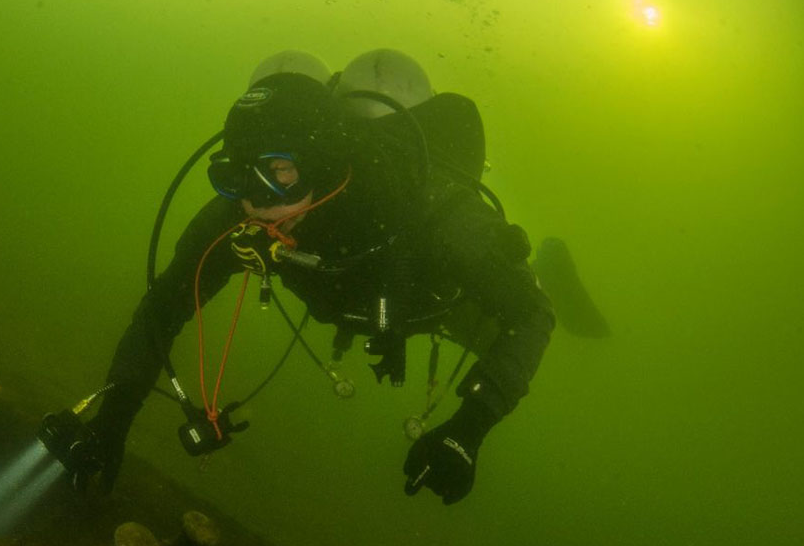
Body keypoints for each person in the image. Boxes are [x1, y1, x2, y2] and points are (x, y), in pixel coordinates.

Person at [54, 54, 556, 506]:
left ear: (326, 165)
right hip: (355, 298)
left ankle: (555, 265)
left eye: (280, 171)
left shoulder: (435, 209)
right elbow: (166, 304)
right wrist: (111, 421)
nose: (257, 203)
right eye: (235, 175)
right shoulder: (243, 212)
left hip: (442, 299)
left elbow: (531, 315)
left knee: (521, 306)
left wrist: (469, 429)